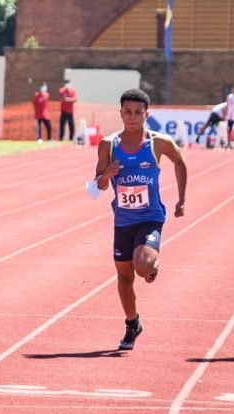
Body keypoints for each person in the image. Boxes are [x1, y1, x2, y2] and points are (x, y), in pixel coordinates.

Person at [92, 88, 187, 350]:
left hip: (150, 217)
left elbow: (180, 162)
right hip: (122, 221)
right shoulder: (108, 145)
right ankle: (132, 323)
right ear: (120, 113)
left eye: (137, 113)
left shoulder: (158, 143)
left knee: (142, 266)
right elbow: (97, 186)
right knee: (124, 279)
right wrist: (108, 175)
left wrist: (182, 199)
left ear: (147, 114)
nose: (132, 117)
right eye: (127, 112)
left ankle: (151, 266)